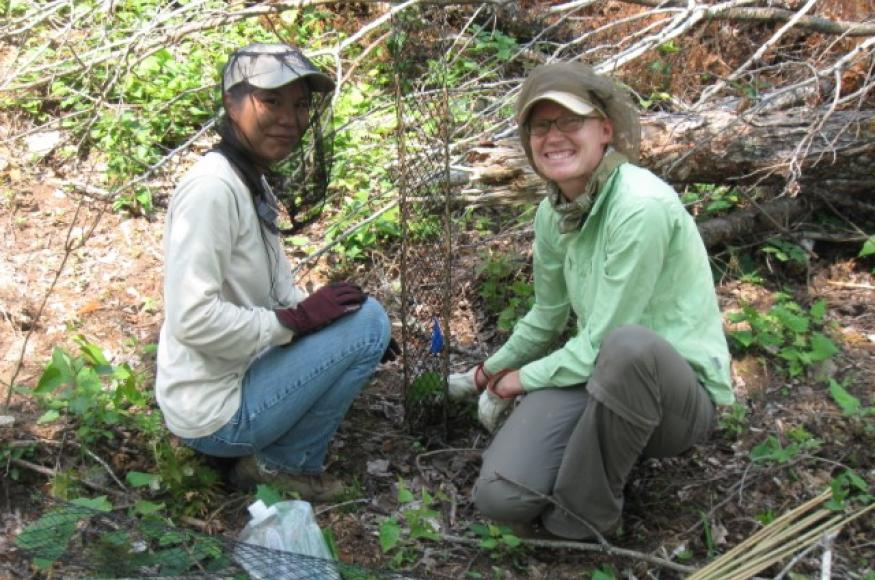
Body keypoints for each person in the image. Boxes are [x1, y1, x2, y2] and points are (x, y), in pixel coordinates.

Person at [448, 62, 733, 539]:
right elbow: (546, 315)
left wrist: (514, 383)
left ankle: (583, 519)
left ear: (605, 131)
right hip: (597, 371)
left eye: (570, 122)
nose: (554, 136)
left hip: (673, 399)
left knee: (629, 348)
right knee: (501, 497)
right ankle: (588, 454)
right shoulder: (553, 210)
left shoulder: (639, 204)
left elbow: (604, 341)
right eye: (541, 126)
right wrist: (484, 374)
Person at [156, 43, 393, 501]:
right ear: (232, 103)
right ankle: (280, 467)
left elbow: (273, 292)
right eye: (272, 101)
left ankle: (273, 456)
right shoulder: (211, 189)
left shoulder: (247, 176)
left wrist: (326, 320)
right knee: (369, 324)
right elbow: (191, 318)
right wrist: (295, 322)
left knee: (360, 320)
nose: (290, 118)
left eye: (301, 104)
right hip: (214, 413)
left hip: (237, 375)